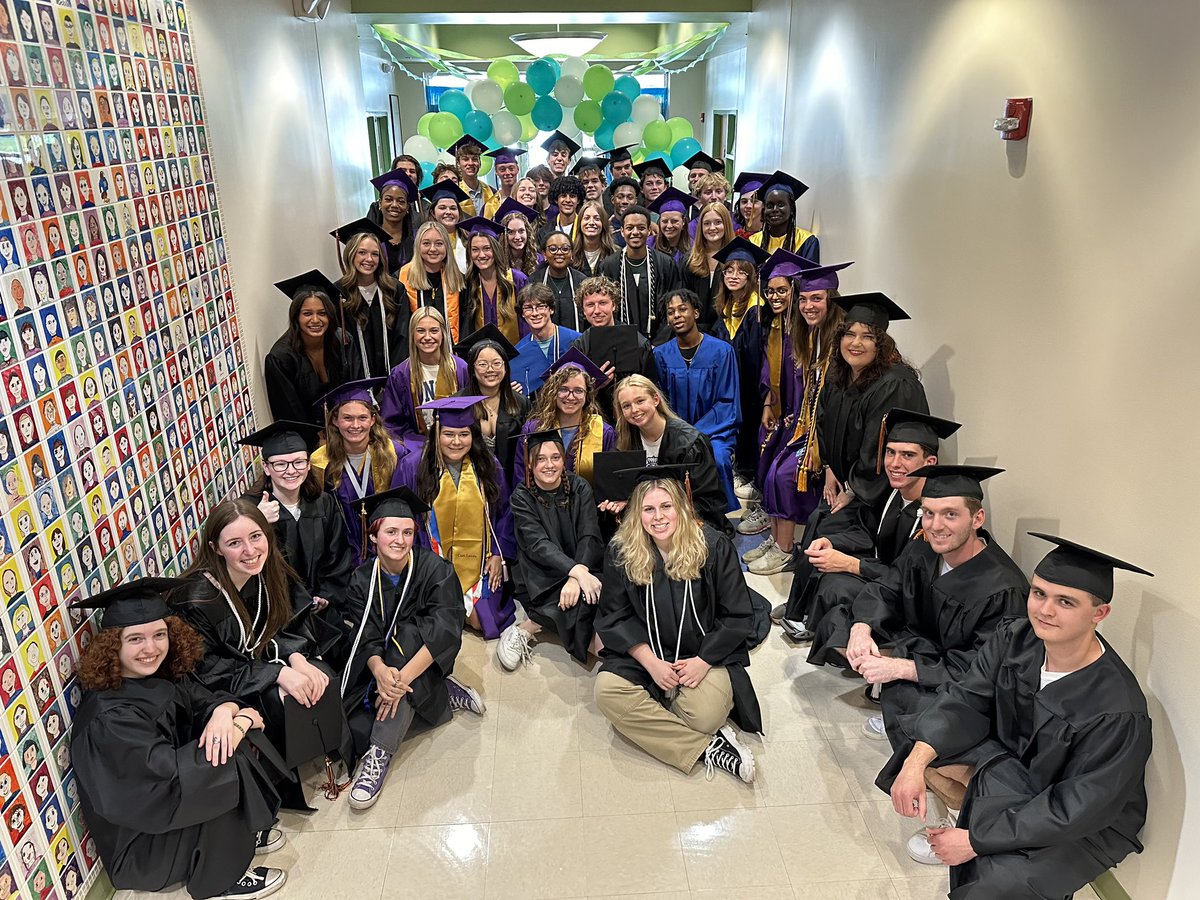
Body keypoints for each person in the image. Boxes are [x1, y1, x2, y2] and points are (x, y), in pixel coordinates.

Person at [882, 534, 1153, 898]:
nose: (1045, 610)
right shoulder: (1016, 637)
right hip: (1018, 766)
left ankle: (971, 833)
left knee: (999, 882)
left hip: (1084, 820)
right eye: (1039, 593)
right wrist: (916, 763)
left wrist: (976, 841)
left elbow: (1076, 807)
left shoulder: (1117, 709)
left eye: (1066, 602)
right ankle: (966, 820)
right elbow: (965, 698)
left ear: (1099, 614)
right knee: (919, 735)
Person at [71, 578, 288, 900]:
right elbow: (170, 780)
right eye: (135, 639)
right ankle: (220, 880)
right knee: (223, 756)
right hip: (143, 846)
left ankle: (238, 834)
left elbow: (204, 700)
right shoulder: (111, 718)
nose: (151, 648)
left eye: (159, 634)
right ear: (112, 645)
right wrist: (239, 723)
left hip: (165, 819)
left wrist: (225, 712)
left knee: (225, 736)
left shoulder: (153, 676)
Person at [809, 466, 1029, 743]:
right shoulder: (923, 547)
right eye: (928, 513)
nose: (935, 526)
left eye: (950, 514)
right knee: (839, 623)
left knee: (929, 706)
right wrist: (862, 630)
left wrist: (902, 668)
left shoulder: (1003, 589)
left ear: (977, 519)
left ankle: (893, 687)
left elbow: (984, 668)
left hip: (953, 669)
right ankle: (887, 680)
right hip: (918, 642)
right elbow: (887, 587)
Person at [176, 501, 349, 807]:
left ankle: (328, 754)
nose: (250, 550)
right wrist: (278, 673)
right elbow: (209, 669)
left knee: (319, 672)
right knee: (282, 694)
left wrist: (295, 658)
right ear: (215, 548)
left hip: (261, 662)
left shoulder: (268, 571)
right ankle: (286, 781)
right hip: (220, 689)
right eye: (234, 543)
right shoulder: (197, 600)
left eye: (256, 536)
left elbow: (286, 623)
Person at [593, 467, 761, 783]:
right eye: (648, 509)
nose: (658, 517)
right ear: (636, 513)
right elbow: (614, 615)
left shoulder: (712, 546)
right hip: (647, 656)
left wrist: (702, 661)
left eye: (666, 506)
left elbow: (738, 615)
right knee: (607, 693)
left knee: (706, 716)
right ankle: (709, 748)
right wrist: (652, 663)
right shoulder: (621, 550)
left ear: (681, 507)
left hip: (701, 654)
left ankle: (658, 717)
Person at [338, 488, 483, 810]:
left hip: (422, 660)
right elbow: (364, 634)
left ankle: (380, 752)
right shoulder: (361, 579)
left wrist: (397, 683)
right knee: (354, 721)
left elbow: (445, 631)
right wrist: (379, 670)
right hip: (382, 668)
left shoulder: (436, 569)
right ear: (373, 536)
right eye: (391, 532)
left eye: (407, 532)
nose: (400, 540)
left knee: (409, 636)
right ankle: (442, 691)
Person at [779, 408, 952, 638]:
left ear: (930, 462)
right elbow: (866, 531)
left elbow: (908, 580)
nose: (895, 463)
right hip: (880, 571)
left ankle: (824, 630)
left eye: (908, 455)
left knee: (835, 587)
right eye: (890, 452)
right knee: (818, 552)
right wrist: (831, 542)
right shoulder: (891, 492)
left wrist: (851, 564)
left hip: (903, 596)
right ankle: (802, 614)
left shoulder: (934, 517)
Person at [747, 256, 851, 576]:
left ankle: (784, 549)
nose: (808, 306)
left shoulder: (839, 343)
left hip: (826, 435)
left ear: (831, 301)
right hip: (807, 425)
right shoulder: (811, 337)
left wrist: (826, 458)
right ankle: (777, 540)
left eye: (816, 298)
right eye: (804, 299)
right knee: (772, 469)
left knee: (782, 474)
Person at [395, 396, 517, 639]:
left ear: (473, 436)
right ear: (437, 434)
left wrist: (498, 554)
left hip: (479, 562)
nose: (457, 442)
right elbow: (399, 516)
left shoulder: (487, 465)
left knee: (483, 622)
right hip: (429, 562)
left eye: (464, 434)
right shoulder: (413, 466)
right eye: (449, 434)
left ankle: (454, 606)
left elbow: (504, 513)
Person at [499, 430, 604, 670]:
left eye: (555, 457)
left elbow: (589, 534)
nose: (549, 465)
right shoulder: (522, 497)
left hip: (582, 564)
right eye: (541, 459)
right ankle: (526, 628)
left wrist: (577, 575)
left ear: (563, 460)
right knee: (583, 617)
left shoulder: (580, 487)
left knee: (598, 599)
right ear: (530, 464)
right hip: (541, 574)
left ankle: (535, 624)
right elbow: (538, 545)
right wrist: (576, 573)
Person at [819, 293, 928, 514]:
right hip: (842, 482)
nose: (855, 343)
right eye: (849, 334)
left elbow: (877, 449)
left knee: (827, 526)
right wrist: (828, 466)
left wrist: (852, 489)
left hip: (874, 498)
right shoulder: (838, 376)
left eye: (867, 336)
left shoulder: (895, 385)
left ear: (881, 344)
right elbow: (822, 420)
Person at [238, 422, 353, 629]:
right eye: (280, 464)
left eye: (299, 462)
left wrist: (326, 596)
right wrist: (256, 522)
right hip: (276, 617)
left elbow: (338, 557)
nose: (291, 471)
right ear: (266, 467)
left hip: (321, 611)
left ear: (308, 465)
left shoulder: (323, 503)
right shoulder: (247, 510)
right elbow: (242, 567)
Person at [611, 374, 734, 536]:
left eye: (640, 401)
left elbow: (709, 501)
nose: (634, 410)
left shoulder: (690, 443)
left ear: (656, 399)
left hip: (688, 519)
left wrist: (669, 517)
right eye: (626, 406)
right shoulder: (625, 441)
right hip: (647, 519)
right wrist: (623, 501)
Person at [652, 288, 739, 510]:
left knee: (718, 459)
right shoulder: (660, 355)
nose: (677, 315)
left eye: (683, 309)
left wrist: (695, 433)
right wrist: (678, 431)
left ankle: (720, 516)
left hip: (715, 432)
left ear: (696, 313)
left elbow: (727, 401)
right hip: (674, 433)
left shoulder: (722, 351)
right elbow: (660, 401)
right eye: (671, 312)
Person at [310, 379, 409, 561]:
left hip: (387, 550)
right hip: (340, 554)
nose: (355, 425)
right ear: (335, 420)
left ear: (373, 419)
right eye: (347, 418)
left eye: (362, 418)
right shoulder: (320, 462)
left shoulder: (394, 453)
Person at [709, 237, 770, 516]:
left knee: (752, 426)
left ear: (751, 276)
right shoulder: (726, 308)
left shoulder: (757, 311)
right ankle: (741, 470)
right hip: (733, 386)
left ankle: (752, 475)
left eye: (741, 271)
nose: (734, 276)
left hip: (751, 385)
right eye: (729, 270)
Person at [512, 348, 616, 488]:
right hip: (540, 501)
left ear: (587, 395)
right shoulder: (533, 429)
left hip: (589, 501)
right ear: (553, 392)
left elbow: (607, 481)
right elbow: (521, 477)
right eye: (563, 389)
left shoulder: (603, 432)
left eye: (578, 390)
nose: (570, 397)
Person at [263, 270, 349, 429]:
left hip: (346, 424)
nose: (315, 320)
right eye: (307, 313)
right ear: (296, 317)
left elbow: (354, 388)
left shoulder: (342, 340)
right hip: (307, 434)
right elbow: (290, 413)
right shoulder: (281, 358)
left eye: (322, 313)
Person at [568, 276, 660, 423]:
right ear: (583, 310)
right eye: (590, 305)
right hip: (594, 419)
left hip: (634, 418)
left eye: (603, 303)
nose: (597, 310)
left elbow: (651, 387)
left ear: (614, 305)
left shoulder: (639, 343)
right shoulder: (579, 347)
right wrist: (595, 385)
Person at [380, 307, 468, 449]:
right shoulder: (401, 374)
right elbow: (392, 423)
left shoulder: (460, 368)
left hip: (456, 443)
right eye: (420, 331)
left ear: (443, 333)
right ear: (412, 334)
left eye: (434, 331)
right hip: (416, 445)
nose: (427, 337)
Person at [455, 324, 530, 486]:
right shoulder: (458, 403)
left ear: (505, 368)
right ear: (472, 369)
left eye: (497, 363)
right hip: (469, 484)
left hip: (512, 484)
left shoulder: (520, 403)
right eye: (482, 364)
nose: (490, 369)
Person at [332, 219, 407, 380]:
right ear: (351, 254)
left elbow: (403, 335)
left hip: (394, 377)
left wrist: (395, 378)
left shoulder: (394, 289)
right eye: (362, 252)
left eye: (375, 254)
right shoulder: (338, 293)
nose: (369, 259)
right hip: (355, 380)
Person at [596, 205, 681, 340]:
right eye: (630, 228)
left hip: (659, 343)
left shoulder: (665, 264)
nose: (635, 232)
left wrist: (659, 343)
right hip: (619, 340)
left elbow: (673, 306)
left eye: (641, 228)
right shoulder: (609, 266)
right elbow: (604, 308)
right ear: (622, 231)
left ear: (649, 230)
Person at [459, 217, 527, 344]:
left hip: (517, 352)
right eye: (475, 250)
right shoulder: (468, 284)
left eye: (487, 248)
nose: (481, 255)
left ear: (495, 249)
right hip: (481, 354)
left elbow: (526, 324)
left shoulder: (517, 280)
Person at [398, 221, 467, 341]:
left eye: (439, 243)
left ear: (447, 247)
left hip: (451, 349)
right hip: (414, 349)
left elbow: (466, 325)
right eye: (426, 243)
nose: (433, 249)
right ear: (418, 246)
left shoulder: (459, 280)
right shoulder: (401, 279)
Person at [511, 283, 582, 397]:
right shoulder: (518, 352)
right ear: (522, 314)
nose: (535, 313)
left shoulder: (576, 341)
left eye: (540, 306)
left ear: (551, 309)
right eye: (528, 308)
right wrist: (512, 393)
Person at [681, 201, 736, 333]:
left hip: (727, 331)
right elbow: (683, 298)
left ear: (727, 224)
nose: (712, 228)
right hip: (694, 331)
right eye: (706, 223)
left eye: (718, 222)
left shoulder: (736, 260)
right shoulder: (689, 260)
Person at [749, 170, 819, 260]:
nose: (775, 209)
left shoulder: (807, 242)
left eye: (781, 205)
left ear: (792, 209)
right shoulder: (753, 242)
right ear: (764, 210)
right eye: (770, 206)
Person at [530, 231, 586, 330]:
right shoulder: (534, 282)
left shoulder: (582, 282)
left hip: (577, 338)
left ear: (572, 253)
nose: (559, 253)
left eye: (565, 249)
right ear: (544, 254)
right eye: (553, 249)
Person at [368, 168, 418, 272]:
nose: (394, 205)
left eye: (401, 201)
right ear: (380, 204)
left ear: (407, 207)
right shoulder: (369, 238)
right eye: (388, 199)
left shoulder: (417, 238)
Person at [417, 181, 470, 274]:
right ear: (433, 213)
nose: (448, 212)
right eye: (442, 208)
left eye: (453, 208)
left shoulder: (468, 238)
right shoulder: (423, 239)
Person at [647, 187, 696, 266]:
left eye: (674, 221)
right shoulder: (648, 245)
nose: (669, 226)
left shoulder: (694, 247)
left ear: (683, 222)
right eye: (665, 221)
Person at [449, 136, 495, 219]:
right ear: (458, 164)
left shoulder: (492, 192)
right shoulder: (453, 192)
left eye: (474, 159)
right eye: (465, 159)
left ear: (480, 163)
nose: (470, 163)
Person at [494, 197, 540, 279]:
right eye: (511, 232)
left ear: (527, 232)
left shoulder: (538, 260)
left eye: (521, 231)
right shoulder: (498, 262)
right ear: (504, 235)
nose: (517, 237)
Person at [570, 199, 616, 276]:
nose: (591, 222)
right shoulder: (571, 254)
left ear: (603, 224)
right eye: (586, 218)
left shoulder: (615, 254)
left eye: (597, 219)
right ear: (580, 223)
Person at [537, 175, 584, 246]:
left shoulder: (584, 228)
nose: (568, 200)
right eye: (563, 196)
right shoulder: (544, 232)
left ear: (578, 200)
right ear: (556, 200)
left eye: (572, 196)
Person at [481, 147, 526, 218]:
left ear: (517, 169)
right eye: (502, 169)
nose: (507, 173)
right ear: (496, 172)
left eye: (511, 168)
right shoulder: (490, 205)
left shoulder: (527, 197)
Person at [732, 172, 768, 238]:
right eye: (744, 201)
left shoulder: (770, 235)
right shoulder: (733, 231)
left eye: (754, 201)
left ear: (764, 204)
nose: (748, 206)